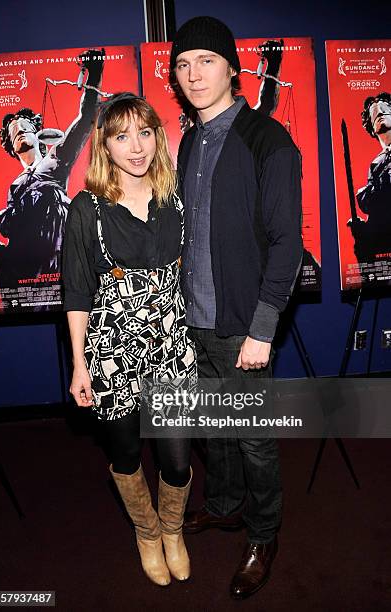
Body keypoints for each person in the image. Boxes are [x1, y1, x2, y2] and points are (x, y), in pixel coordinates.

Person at [169, 16, 303, 600]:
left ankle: (264, 532)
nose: (193, 74)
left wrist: (262, 329)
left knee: (252, 436)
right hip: (192, 318)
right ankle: (224, 506)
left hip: (242, 325)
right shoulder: (189, 138)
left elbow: (287, 246)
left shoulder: (267, 140)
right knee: (212, 427)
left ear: (232, 68)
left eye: (206, 61)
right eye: (183, 64)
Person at [62, 93, 197, 586]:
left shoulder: (175, 196)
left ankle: (174, 530)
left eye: (145, 133)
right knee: (125, 454)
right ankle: (146, 533)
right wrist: (79, 365)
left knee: (177, 458)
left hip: (172, 344)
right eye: (121, 137)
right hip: (112, 349)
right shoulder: (87, 208)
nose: (135, 147)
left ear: (158, 137)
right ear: (106, 146)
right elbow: (76, 291)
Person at [0, 49, 104, 290]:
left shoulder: (54, 161)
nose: (19, 130)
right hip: (34, 272)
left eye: (24, 126)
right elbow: (13, 233)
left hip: (61, 259)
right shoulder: (16, 186)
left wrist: (93, 75)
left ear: (37, 132)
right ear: (12, 146)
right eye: (14, 131)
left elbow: (86, 119)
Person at [355, 92, 391, 259]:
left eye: (385, 109)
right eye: (375, 113)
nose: (380, 113)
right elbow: (373, 207)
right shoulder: (376, 163)